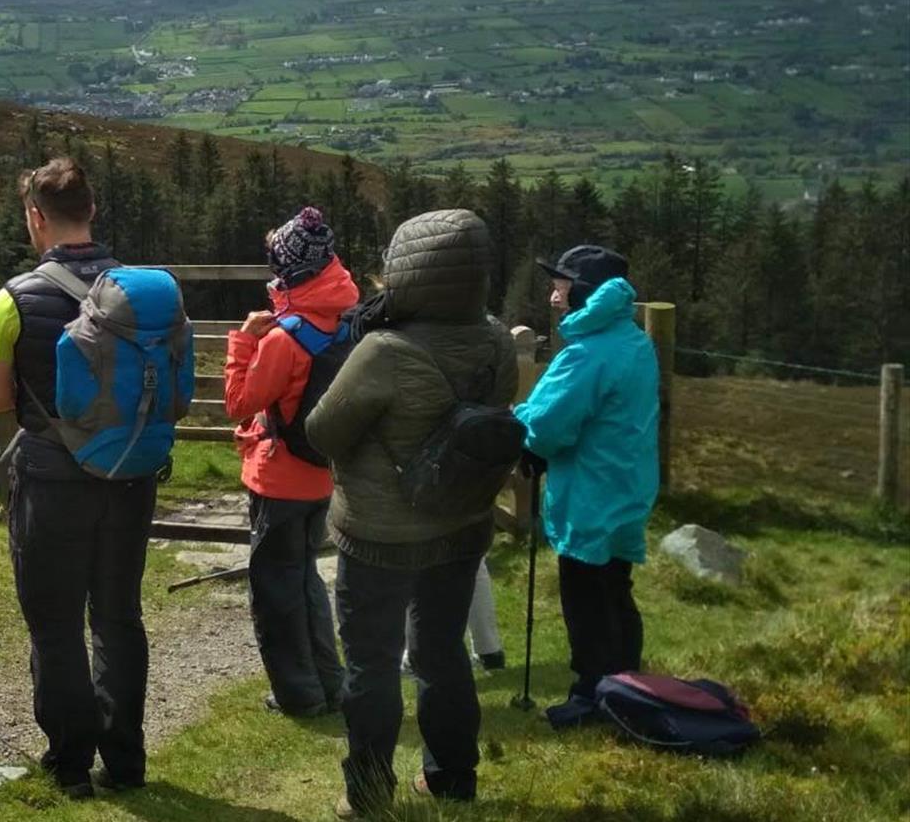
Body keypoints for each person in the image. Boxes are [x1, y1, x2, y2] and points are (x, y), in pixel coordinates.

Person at [306, 209, 517, 819]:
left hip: (378, 534)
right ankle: (452, 777)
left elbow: (322, 432)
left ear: (408, 271)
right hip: (461, 522)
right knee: (442, 652)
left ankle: (369, 793)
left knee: (371, 665)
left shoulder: (384, 350)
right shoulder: (497, 340)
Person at [0, 157, 152, 799]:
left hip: (51, 478)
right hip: (130, 474)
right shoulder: (138, 290)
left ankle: (71, 763)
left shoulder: (15, 298)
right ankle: (127, 760)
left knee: (55, 623)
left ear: (35, 218)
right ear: (93, 212)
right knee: (118, 616)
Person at [517, 245, 660, 729]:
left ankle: (592, 696)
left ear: (581, 290)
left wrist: (523, 434)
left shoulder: (588, 352)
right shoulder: (632, 340)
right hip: (626, 486)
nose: (553, 294)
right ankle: (624, 684)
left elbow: (550, 424)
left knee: (586, 596)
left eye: (560, 284)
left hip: (590, 494)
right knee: (616, 588)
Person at [223, 206, 352, 718]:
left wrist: (244, 341)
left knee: (276, 590)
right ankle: (329, 683)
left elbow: (239, 404)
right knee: (305, 581)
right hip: (322, 472)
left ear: (288, 268)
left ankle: (298, 694)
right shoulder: (347, 321)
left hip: (277, 477)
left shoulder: (284, 337)